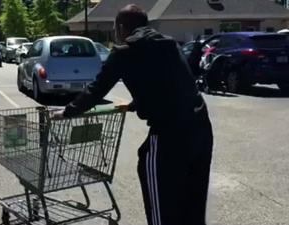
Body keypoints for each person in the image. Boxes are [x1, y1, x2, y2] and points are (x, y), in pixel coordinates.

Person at [54, 4, 213, 225]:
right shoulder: (169, 45)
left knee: (160, 200)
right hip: (201, 129)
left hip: (170, 134)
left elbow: (96, 89)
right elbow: (168, 84)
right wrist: (136, 104)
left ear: (120, 27)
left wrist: (68, 111)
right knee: (193, 204)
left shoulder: (124, 52)